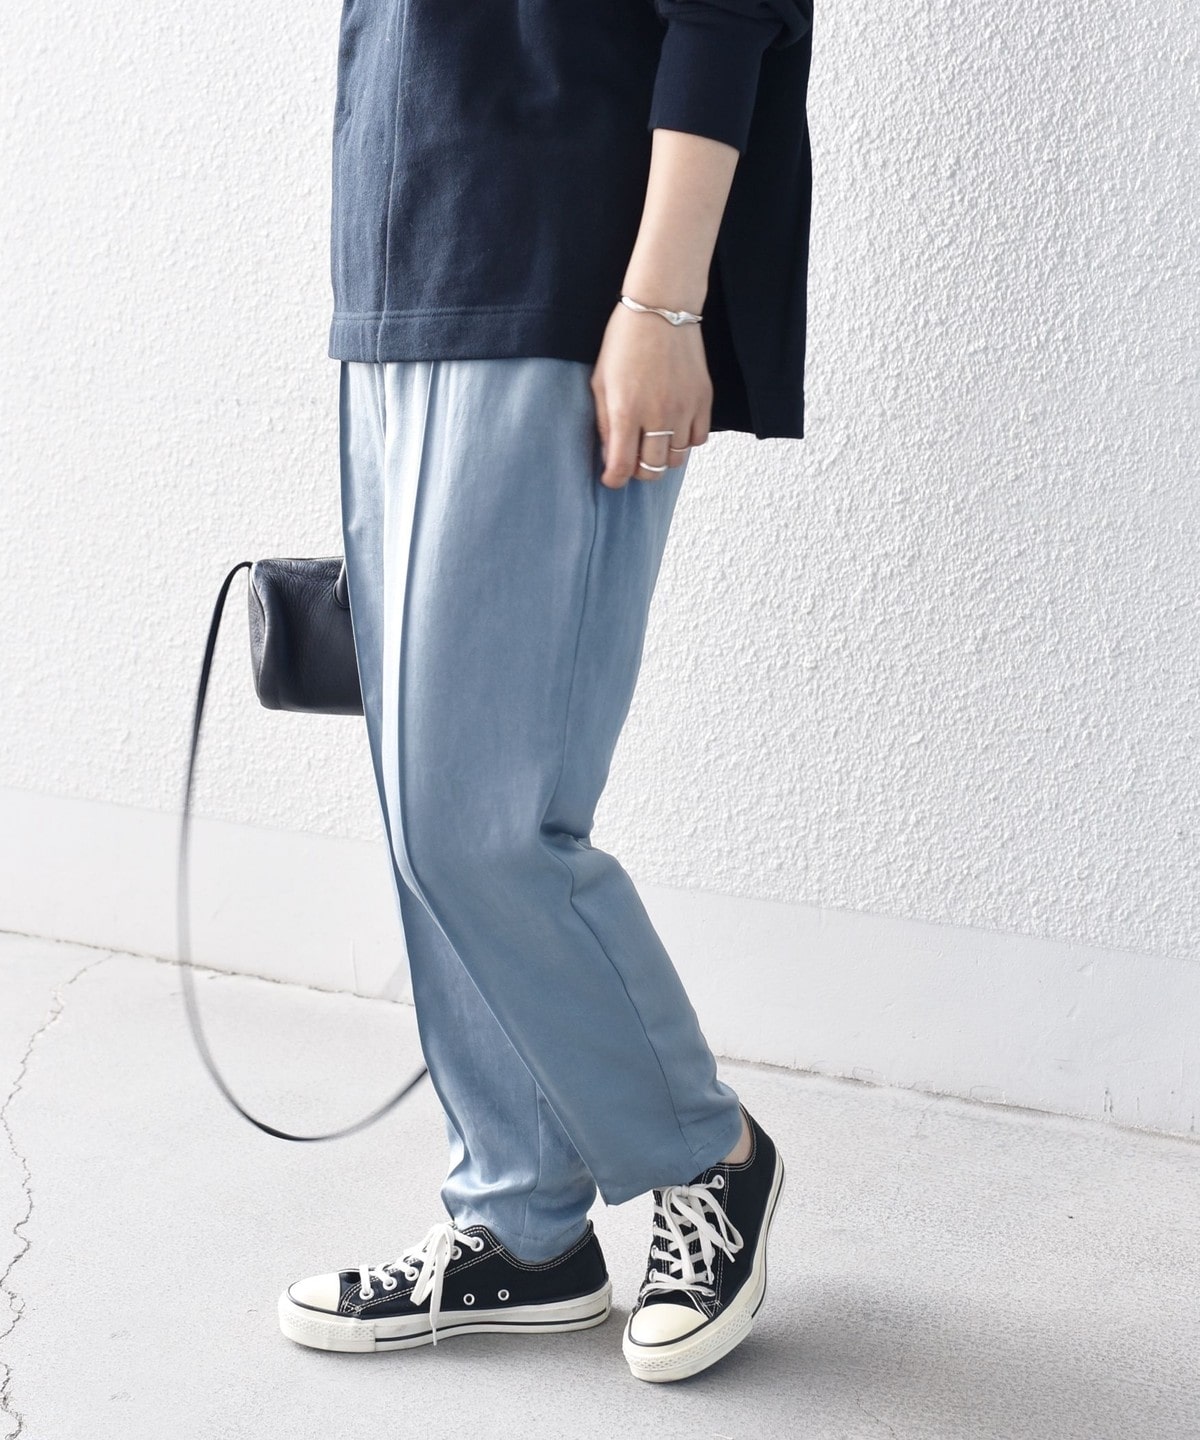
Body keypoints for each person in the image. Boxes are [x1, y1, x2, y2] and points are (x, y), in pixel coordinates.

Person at [276, 0, 814, 1383]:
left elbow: (728, 14)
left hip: (570, 270)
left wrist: (662, 302)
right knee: (427, 823)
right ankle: (523, 1224)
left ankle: (706, 1153)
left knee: (480, 823)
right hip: (407, 250)